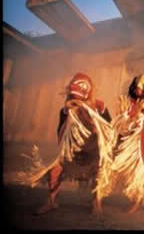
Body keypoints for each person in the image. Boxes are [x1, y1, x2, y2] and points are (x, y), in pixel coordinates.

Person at [24, 72, 113, 215]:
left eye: (77, 96)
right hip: (74, 154)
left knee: (101, 169)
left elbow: (109, 128)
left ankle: (97, 202)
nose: (75, 98)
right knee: (55, 169)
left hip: (94, 152)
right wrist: (70, 113)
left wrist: (96, 128)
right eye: (73, 96)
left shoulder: (99, 107)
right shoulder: (66, 110)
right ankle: (52, 202)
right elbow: (61, 134)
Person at [95, 74, 144, 217]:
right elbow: (124, 124)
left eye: (141, 88)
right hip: (130, 146)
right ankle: (105, 200)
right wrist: (126, 116)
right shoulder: (131, 102)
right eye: (136, 87)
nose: (138, 90)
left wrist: (137, 115)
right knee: (128, 174)